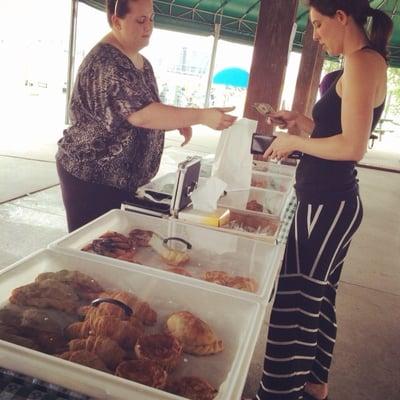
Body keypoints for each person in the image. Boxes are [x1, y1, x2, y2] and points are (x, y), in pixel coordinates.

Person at [251, 1, 393, 400]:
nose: (314, 34)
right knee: (318, 293)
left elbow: (353, 145)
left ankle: (280, 392)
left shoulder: (364, 63)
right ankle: (313, 382)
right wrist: (301, 123)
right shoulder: (355, 65)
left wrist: (295, 142)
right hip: (323, 200)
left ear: (342, 17)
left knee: (297, 299)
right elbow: (335, 131)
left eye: (317, 24)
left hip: (328, 205)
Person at [56, 0, 237, 232]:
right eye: (140, 20)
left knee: (117, 246)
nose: (148, 26)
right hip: (92, 178)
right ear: (116, 21)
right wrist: (199, 116)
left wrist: (178, 121)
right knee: (93, 250)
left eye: (151, 18)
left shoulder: (141, 62)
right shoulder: (107, 62)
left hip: (122, 181)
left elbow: (145, 105)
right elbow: (141, 115)